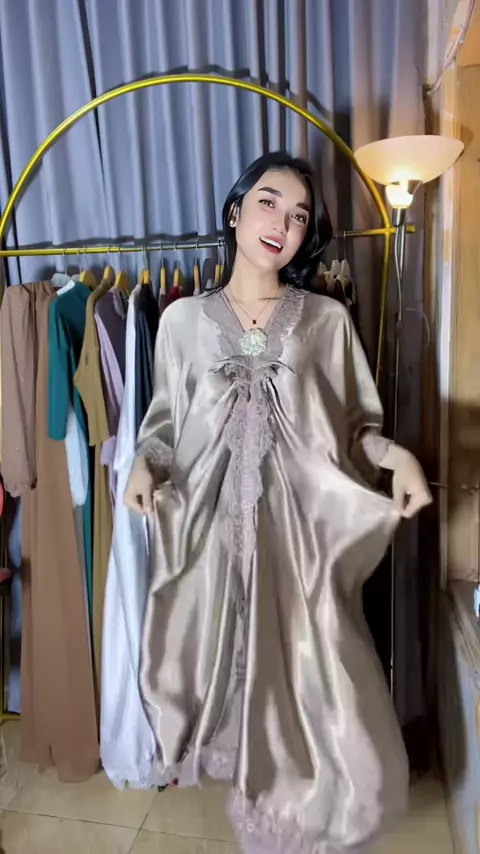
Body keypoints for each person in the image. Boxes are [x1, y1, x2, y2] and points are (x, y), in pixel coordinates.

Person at [124, 151, 432, 854]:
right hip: (212, 547)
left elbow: (354, 430)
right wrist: (143, 462)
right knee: (237, 704)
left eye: (298, 215)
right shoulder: (181, 322)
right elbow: (164, 427)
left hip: (296, 552)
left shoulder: (326, 320)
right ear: (236, 210)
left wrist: (401, 458)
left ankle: (310, 824)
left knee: (317, 699)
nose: (282, 224)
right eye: (268, 202)